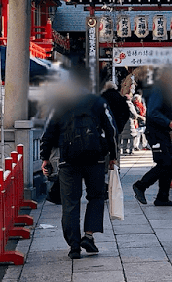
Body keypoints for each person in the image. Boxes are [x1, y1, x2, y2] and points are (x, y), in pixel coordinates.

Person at [40, 85, 118, 259]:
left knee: (70, 203)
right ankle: (89, 236)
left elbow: (49, 131)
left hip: (69, 160)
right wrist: (113, 156)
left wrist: (45, 157)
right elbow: (110, 130)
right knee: (96, 197)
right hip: (95, 159)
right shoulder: (98, 102)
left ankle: (74, 246)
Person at [132, 69, 172, 207]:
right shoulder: (159, 88)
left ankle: (162, 197)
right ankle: (141, 186)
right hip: (156, 133)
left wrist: (169, 128)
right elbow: (153, 112)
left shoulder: (163, 88)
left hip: (162, 132)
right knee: (165, 164)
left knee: (167, 165)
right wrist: (169, 123)